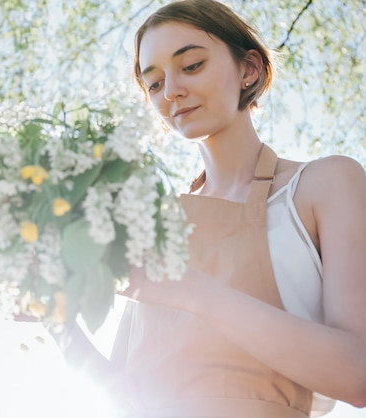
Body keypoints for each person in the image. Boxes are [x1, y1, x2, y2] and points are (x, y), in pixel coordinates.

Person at [54, 0, 366, 417]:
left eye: (192, 65)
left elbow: (358, 375)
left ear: (249, 69)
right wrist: (55, 319)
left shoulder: (325, 183)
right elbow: (125, 396)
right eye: (154, 83)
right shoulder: (150, 227)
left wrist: (193, 290)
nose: (171, 92)